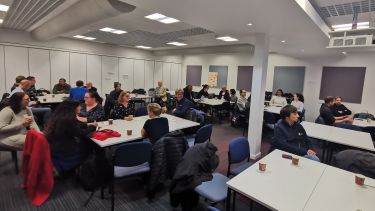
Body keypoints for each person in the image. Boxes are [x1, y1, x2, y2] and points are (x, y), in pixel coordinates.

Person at [44, 99, 97, 173]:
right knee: (89, 144)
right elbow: (81, 133)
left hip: (54, 146)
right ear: (73, 108)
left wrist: (86, 125)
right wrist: (93, 127)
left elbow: (76, 124)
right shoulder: (67, 120)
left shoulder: (60, 116)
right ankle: (87, 168)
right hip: (63, 149)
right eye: (78, 106)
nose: (80, 108)